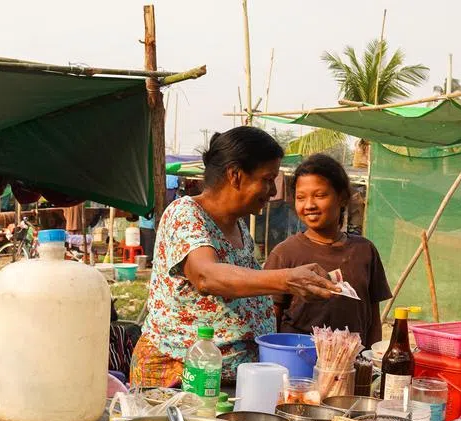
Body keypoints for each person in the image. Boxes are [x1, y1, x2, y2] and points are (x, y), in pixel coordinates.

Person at [132, 126, 338, 387]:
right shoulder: (185, 214)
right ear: (235, 176)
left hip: (227, 379)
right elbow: (206, 276)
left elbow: (243, 284)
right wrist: (287, 279)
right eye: (267, 179)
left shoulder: (238, 227)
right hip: (182, 376)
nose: (272, 192)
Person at [264, 154, 392, 347]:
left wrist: (372, 359)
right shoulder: (285, 253)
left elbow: (373, 315)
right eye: (301, 197)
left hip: (351, 363)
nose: (309, 205)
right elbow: (270, 317)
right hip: (300, 364)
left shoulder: (365, 250)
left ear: (341, 198)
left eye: (320, 195)